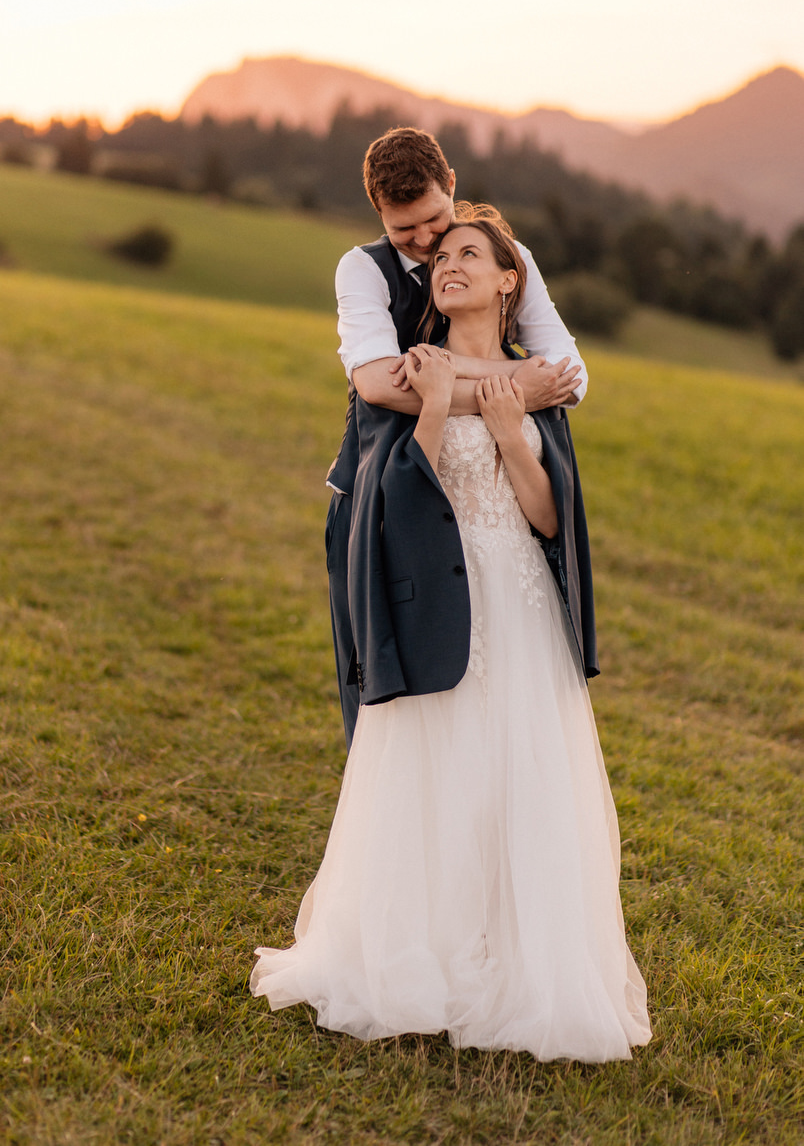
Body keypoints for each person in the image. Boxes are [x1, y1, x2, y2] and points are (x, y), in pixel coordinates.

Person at [251, 210, 651, 1061]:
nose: (449, 266)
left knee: (515, 780)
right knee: (429, 778)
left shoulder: (536, 379)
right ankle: (415, 961)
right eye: (441, 259)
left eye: (470, 254)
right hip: (434, 593)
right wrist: (434, 409)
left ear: (512, 281)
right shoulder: (418, 368)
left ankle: (514, 965)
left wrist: (511, 431)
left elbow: (549, 516)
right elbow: (396, 496)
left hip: (518, 604)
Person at [328, 127, 587, 746]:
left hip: (495, 514)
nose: (423, 244)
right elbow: (378, 386)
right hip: (379, 496)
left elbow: (571, 380)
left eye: (433, 222)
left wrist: (455, 383)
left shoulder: (509, 258)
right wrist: (513, 386)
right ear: (380, 219)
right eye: (403, 232)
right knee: (383, 672)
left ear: (452, 188)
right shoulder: (362, 269)